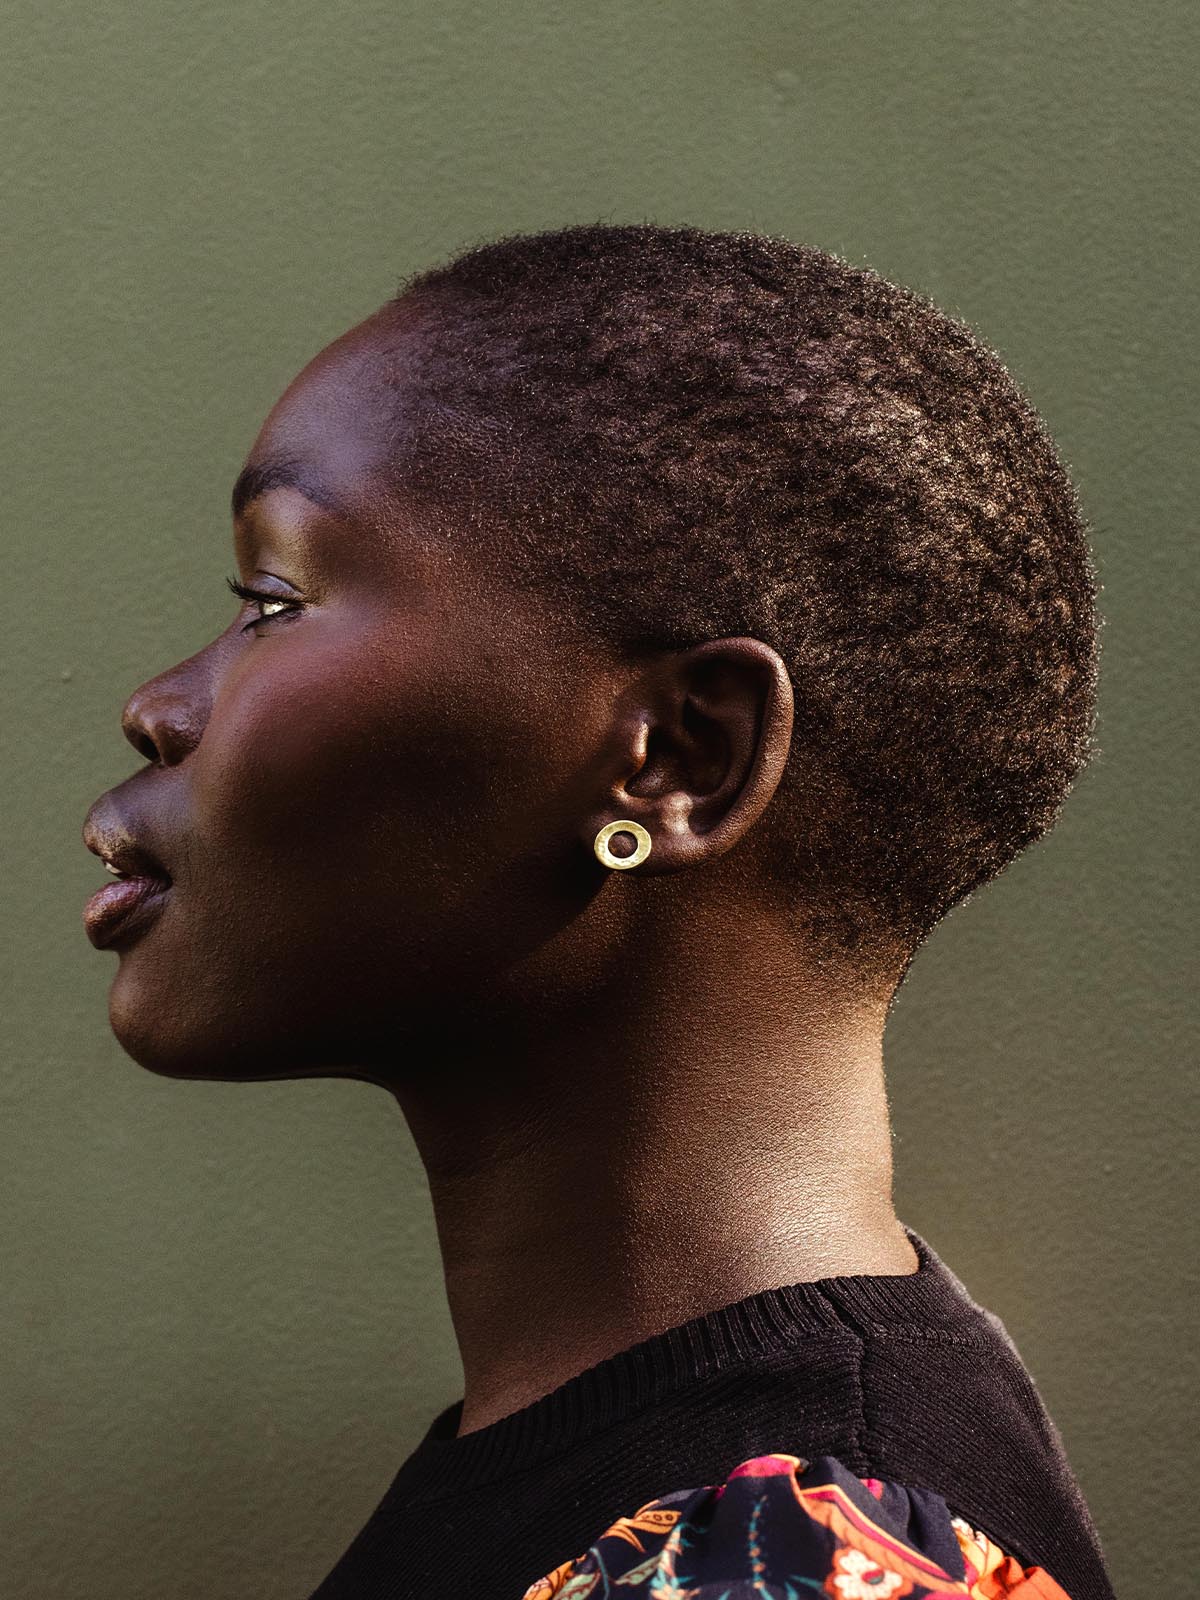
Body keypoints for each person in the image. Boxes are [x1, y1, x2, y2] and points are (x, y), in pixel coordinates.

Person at [81, 224, 1114, 1600]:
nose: (159, 707)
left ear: (679, 758)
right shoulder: (670, 1477)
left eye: (272, 599)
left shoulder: (796, 1554)